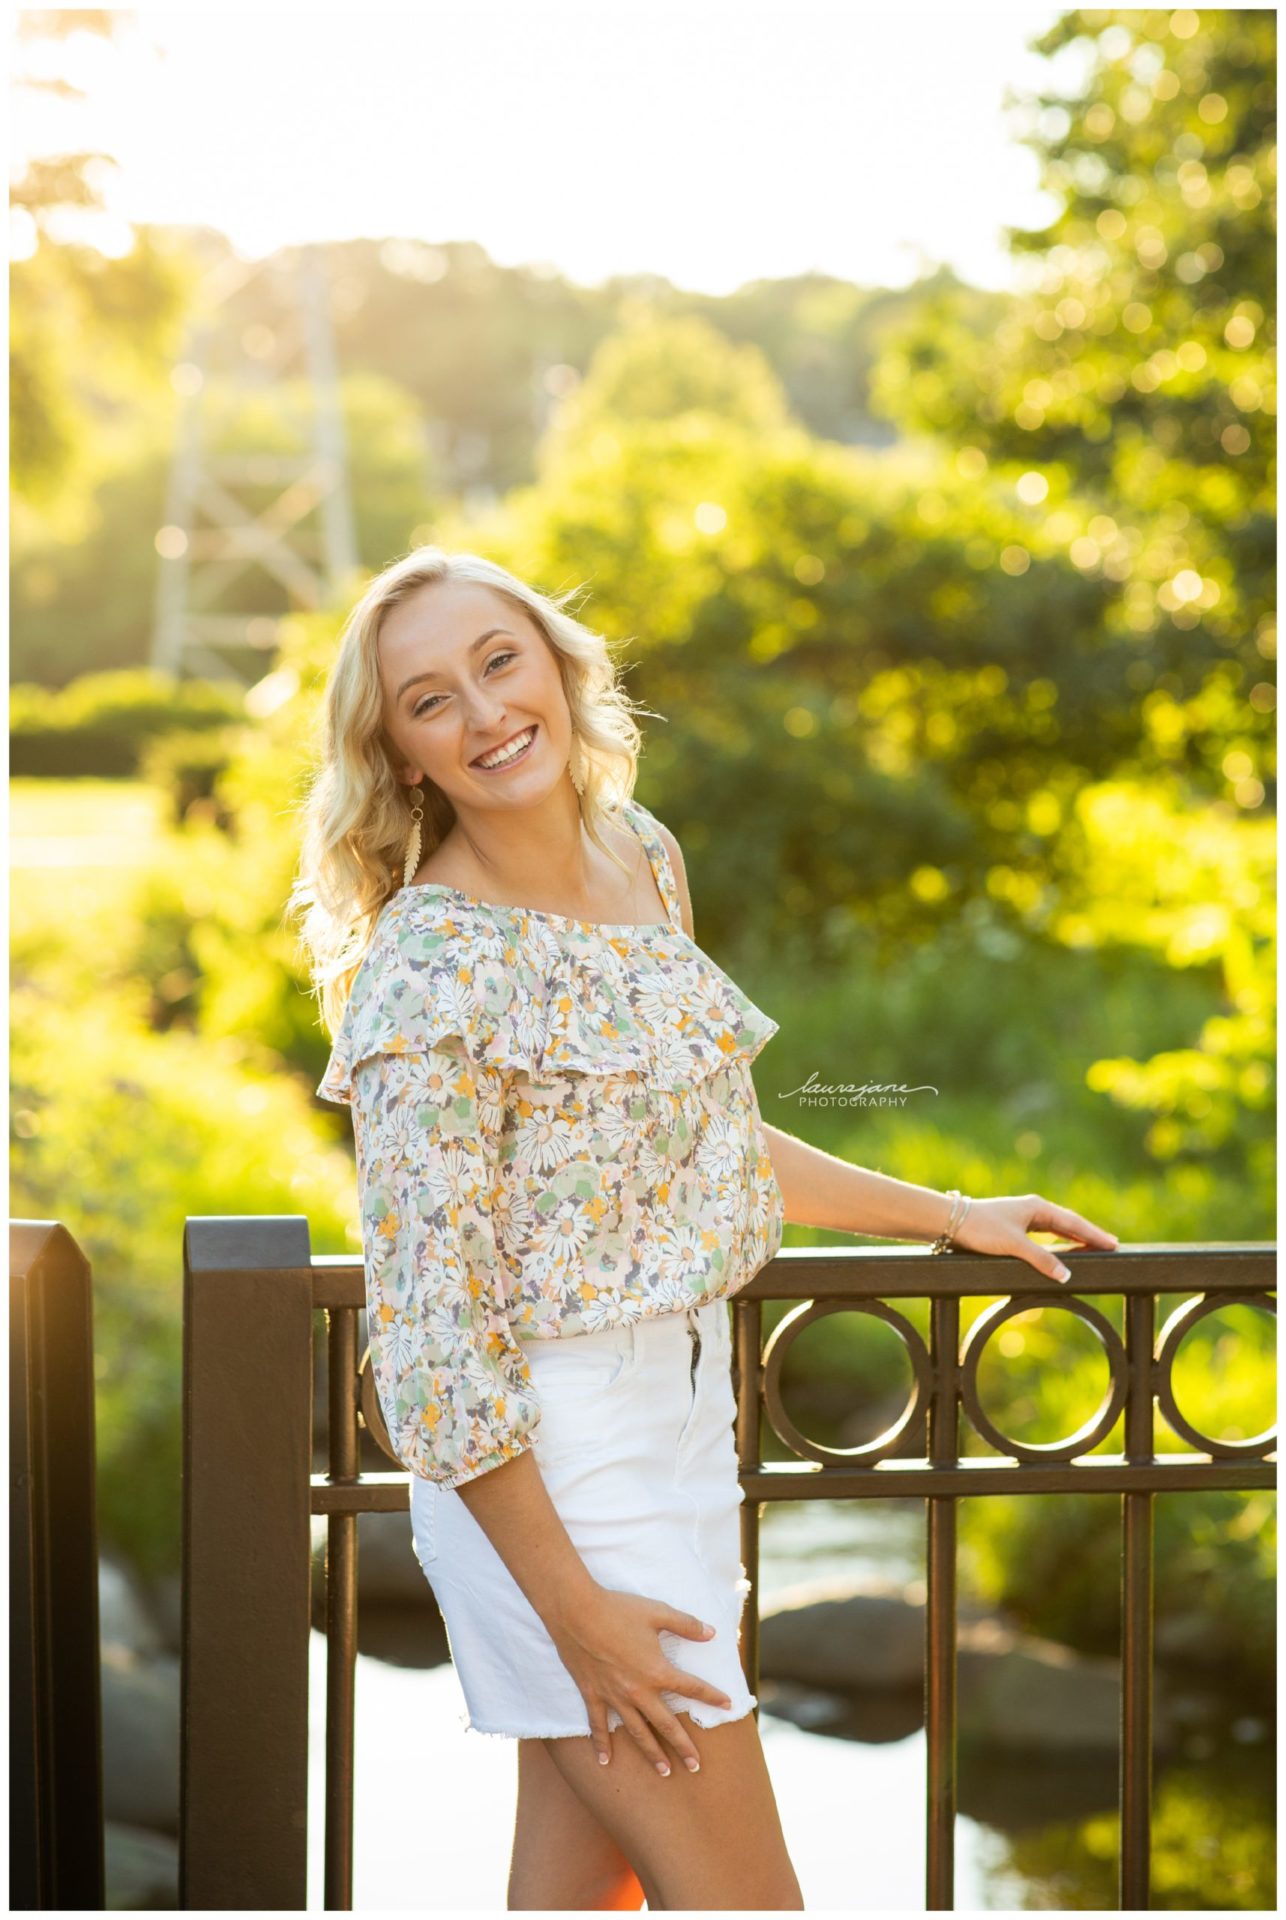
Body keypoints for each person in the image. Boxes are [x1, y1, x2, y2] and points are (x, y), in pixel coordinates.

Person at [293, 546, 1119, 1912]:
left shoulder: (642, 854)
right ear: (403, 756)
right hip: (546, 1471)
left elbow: (710, 1139)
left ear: (557, 664)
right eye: (430, 700)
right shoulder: (430, 971)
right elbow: (436, 1340)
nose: (486, 713)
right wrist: (578, 1620)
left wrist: (950, 1215)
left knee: (579, 1890)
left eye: (499, 662)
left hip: (677, 1427)